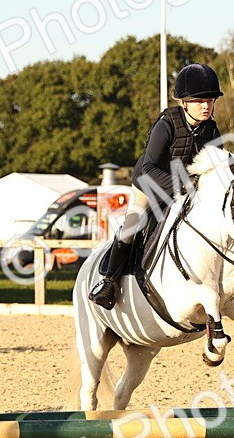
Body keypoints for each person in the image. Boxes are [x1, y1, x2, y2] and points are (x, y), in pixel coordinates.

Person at [89, 62, 224, 309]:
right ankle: (108, 282)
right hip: (150, 184)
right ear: (183, 102)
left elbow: (217, 169)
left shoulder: (211, 131)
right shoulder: (166, 124)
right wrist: (181, 187)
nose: (206, 106)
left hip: (187, 191)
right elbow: (149, 167)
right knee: (131, 227)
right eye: (199, 101)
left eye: (210, 100)